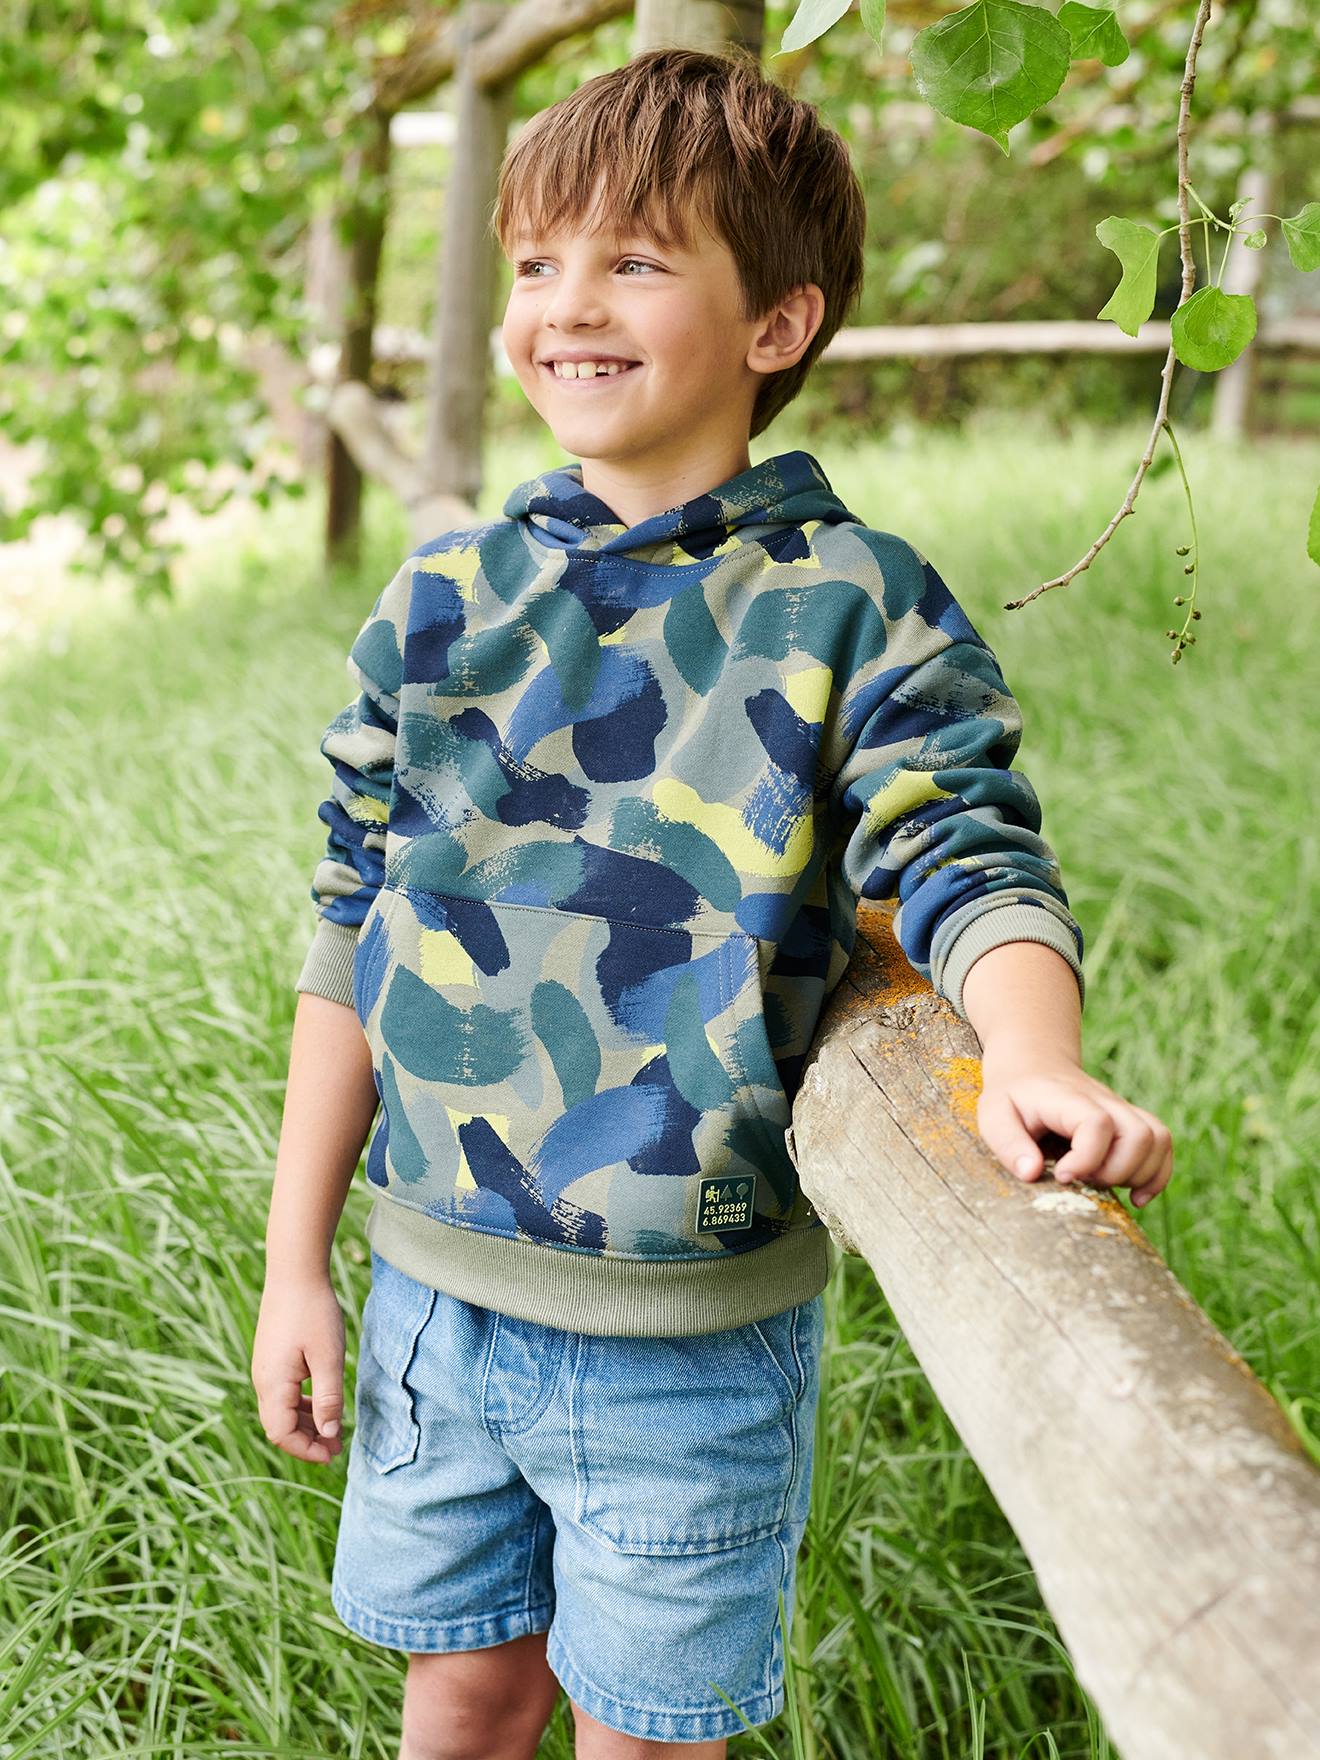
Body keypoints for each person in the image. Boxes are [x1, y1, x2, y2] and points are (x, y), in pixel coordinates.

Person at [252, 44, 1173, 1760]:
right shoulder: (447, 600)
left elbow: (967, 854)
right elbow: (354, 919)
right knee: (457, 1691)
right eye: (535, 263)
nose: (565, 305)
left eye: (635, 259)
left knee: (648, 1738)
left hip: (683, 1344)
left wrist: (1036, 1059)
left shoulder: (851, 604)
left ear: (776, 326)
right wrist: (299, 1257)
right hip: (433, 1303)